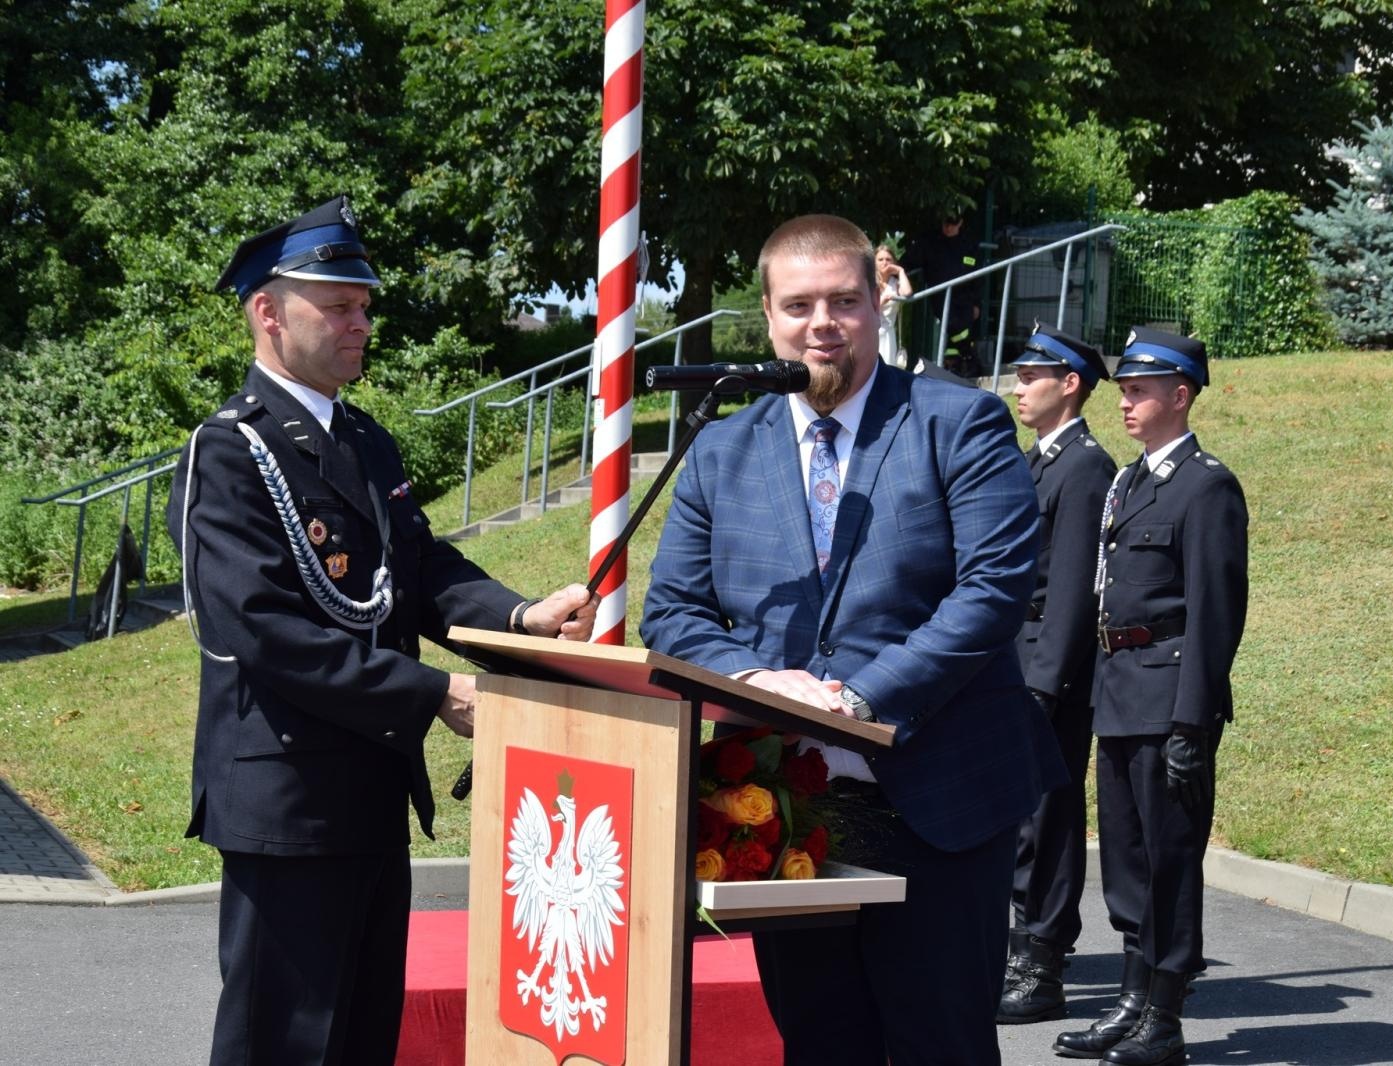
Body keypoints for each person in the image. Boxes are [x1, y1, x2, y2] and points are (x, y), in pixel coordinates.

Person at [167, 195, 598, 1066]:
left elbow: (419, 570)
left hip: (370, 789)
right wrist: (436, 693)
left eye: (364, 306)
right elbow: (263, 629)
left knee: (362, 1039)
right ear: (267, 313)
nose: (361, 322)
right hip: (284, 801)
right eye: (338, 307)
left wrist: (519, 617)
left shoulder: (365, 440)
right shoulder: (229, 450)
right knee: (281, 1045)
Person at [640, 214, 1064, 1066]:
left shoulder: (962, 423)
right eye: (799, 305)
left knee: (939, 1044)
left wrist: (860, 698)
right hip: (786, 802)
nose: (821, 323)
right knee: (821, 1042)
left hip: (938, 793)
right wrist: (762, 680)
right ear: (767, 316)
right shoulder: (722, 449)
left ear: (879, 304)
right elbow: (674, 615)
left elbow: (993, 590)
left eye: (843, 300)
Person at [1053, 326, 1247, 1065]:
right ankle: (1133, 1001)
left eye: (1139, 391)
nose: (1126, 403)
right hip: (1120, 692)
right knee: (1130, 859)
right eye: (1125, 390)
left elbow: (1215, 613)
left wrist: (1192, 722)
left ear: (1180, 394)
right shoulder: (1131, 482)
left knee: (1169, 857)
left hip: (1169, 699)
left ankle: (1163, 1016)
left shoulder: (1206, 486)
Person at [999, 326, 1116, 1025]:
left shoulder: (1084, 467)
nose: (1018, 385)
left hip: (1050, 667)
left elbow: (1074, 588)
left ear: (1069, 384)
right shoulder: (1038, 461)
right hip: (1015, 658)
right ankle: (1016, 946)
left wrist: (1043, 685)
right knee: (1018, 818)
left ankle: (1041, 961)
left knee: (1048, 816)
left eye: (1031, 374)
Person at [901, 214, 982, 376]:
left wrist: (976, 303)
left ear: (961, 223)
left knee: (956, 331)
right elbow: (909, 261)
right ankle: (969, 356)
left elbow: (978, 276)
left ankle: (956, 364)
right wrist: (896, 270)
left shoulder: (969, 244)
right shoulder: (931, 242)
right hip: (941, 296)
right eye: (946, 223)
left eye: (953, 224)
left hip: (964, 298)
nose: (949, 227)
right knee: (954, 327)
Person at [874, 243, 913, 367]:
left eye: (888, 259)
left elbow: (907, 293)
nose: (884, 263)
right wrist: (882, 301)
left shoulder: (895, 283)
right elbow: (864, 310)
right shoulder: (868, 282)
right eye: (880, 259)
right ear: (874, 262)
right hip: (870, 334)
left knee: (887, 371)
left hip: (888, 335)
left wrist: (900, 271)